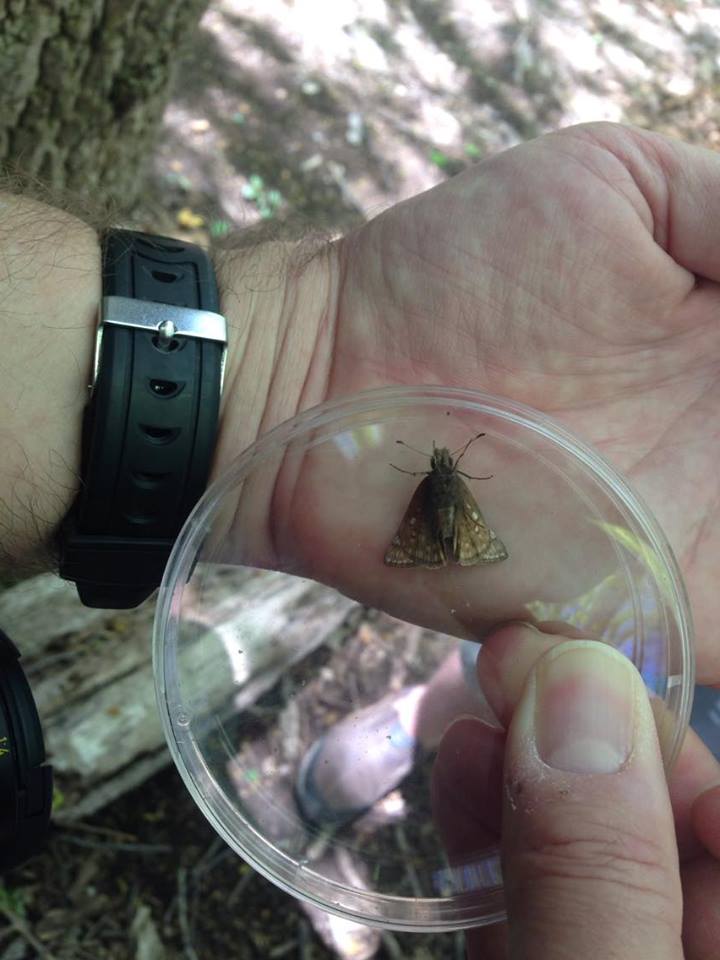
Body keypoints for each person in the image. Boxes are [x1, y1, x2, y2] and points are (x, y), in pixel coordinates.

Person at [1, 121, 719, 957]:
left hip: (493, 551)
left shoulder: (442, 473)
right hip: (477, 537)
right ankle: (419, 720)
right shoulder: (450, 471)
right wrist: (292, 362)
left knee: (541, 653)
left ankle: (411, 727)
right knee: (528, 654)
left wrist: (287, 366)